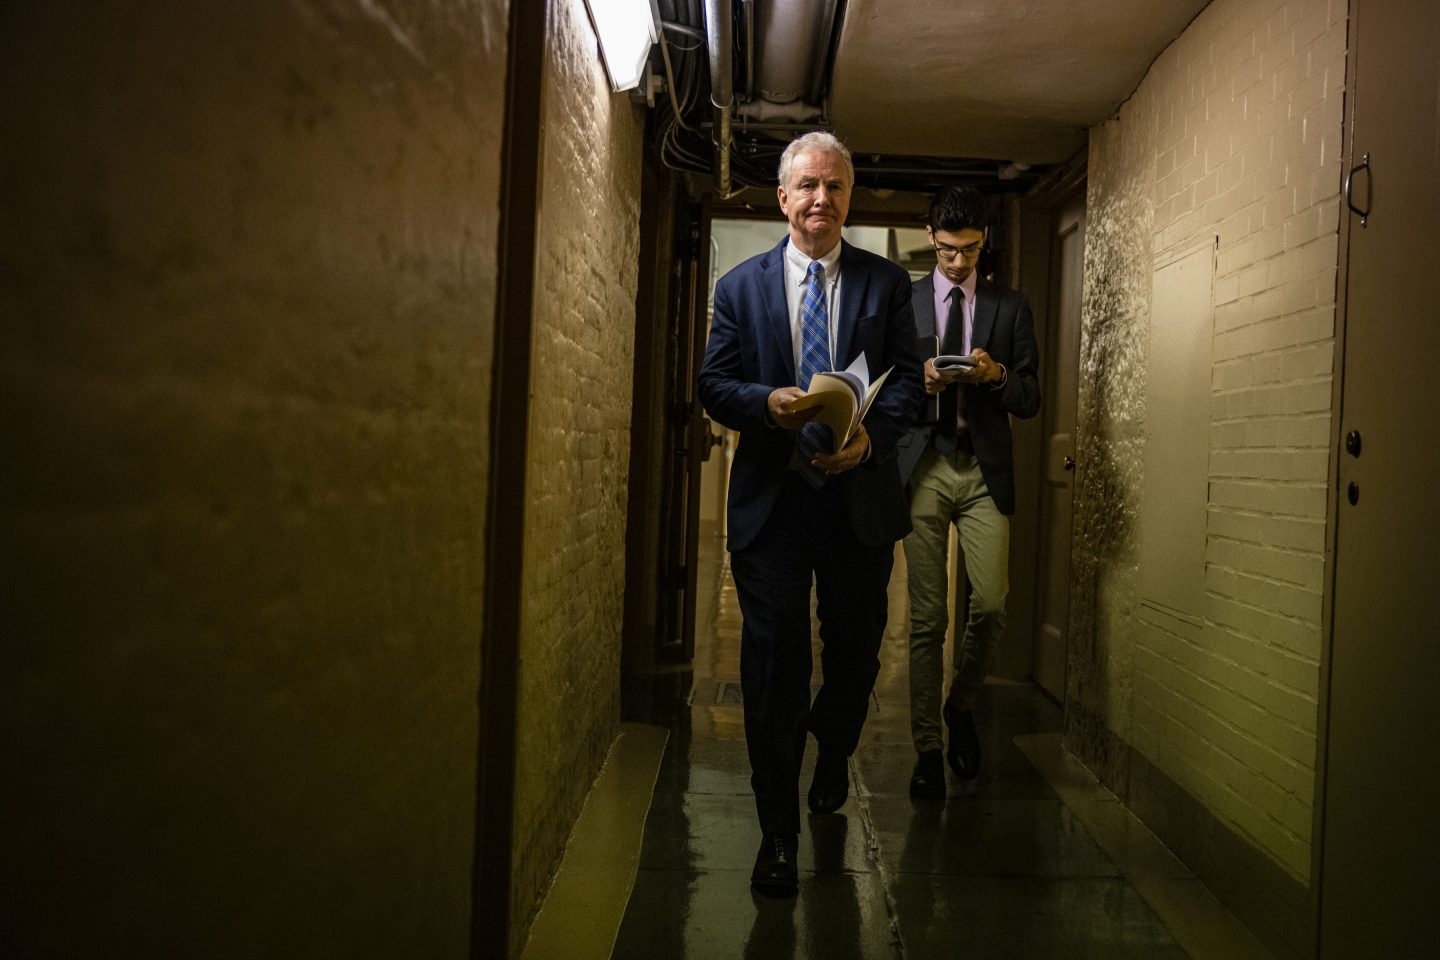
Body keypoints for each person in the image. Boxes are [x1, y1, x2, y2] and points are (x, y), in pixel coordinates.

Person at [697, 131, 922, 897]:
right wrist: (766, 402)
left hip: (856, 498)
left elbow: (906, 389)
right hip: (773, 504)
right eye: (808, 186)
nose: (821, 199)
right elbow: (714, 383)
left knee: (856, 655)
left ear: (847, 199)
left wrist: (869, 440)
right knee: (773, 663)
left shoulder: (886, 284)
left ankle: (835, 744)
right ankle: (778, 834)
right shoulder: (739, 288)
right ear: (783, 198)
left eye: (835, 187)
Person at [895, 185, 1040, 798]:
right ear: (931, 236)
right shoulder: (902, 304)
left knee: (992, 604)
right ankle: (928, 747)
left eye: (971, 250)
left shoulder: (1009, 308)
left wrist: (996, 374)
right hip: (925, 465)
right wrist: (917, 380)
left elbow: (1030, 396)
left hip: (983, 471)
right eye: (950, 250)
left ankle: (961, 706)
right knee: (927, 619)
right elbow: (879, 386)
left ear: (985, 241)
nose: (959, 262)